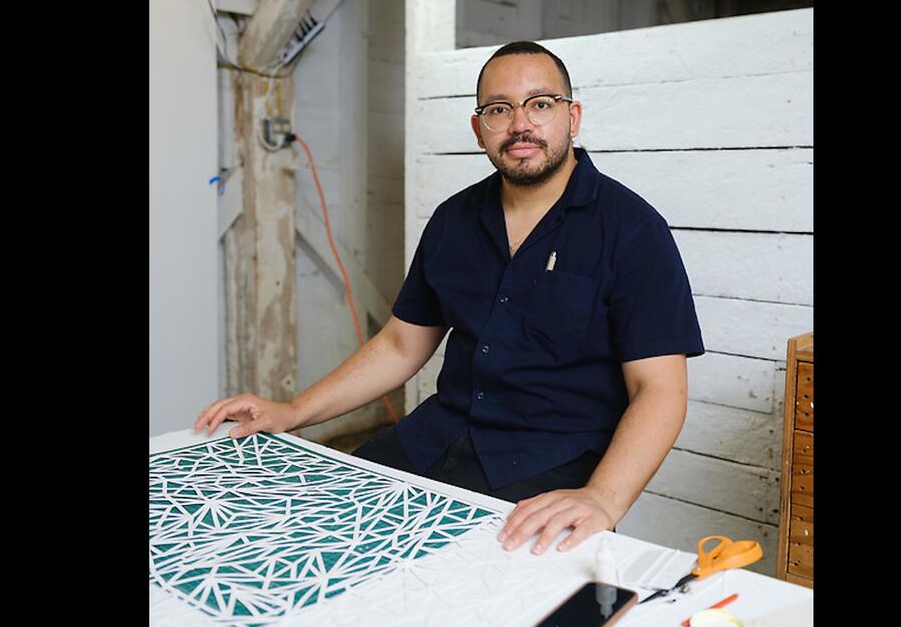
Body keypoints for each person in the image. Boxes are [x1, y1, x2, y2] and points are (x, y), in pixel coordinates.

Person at [195, 41, 704, 557]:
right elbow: (400, 345)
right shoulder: (453, 220)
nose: (520, 123)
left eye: (541, 103)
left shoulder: (633, 231)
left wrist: (601, 499)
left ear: (572, 117)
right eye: (498, 109)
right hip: (431, 439)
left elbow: (659, 391)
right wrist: (291, 411)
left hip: (548, 468)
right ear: (479, 127)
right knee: (305, 536)